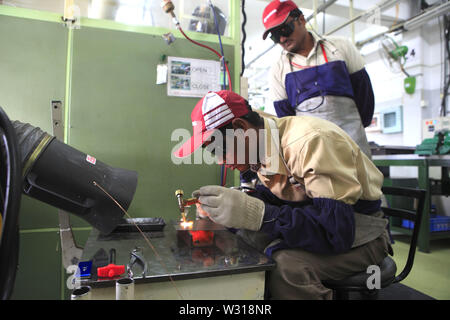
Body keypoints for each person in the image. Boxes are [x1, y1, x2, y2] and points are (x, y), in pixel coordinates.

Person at [173, 90, 392, 300]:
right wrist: (228, 210)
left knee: (287, 266)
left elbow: (336, 231)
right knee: (243, 241)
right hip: (325, 219)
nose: (221, 162)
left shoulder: (311, 142)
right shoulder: (261, 141)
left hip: (362, 231)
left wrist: (257, 214)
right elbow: (279, 199)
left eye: (219, 150)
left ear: (240, 127)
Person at [262, 0, 375, 158]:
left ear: (301, 19)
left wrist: (353, 130)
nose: (281, 39)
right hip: (313, 159)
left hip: (354, 151)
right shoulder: (278, 70)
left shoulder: (340, 48)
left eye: (284, 30)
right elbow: (287, 121)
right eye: (275, 36)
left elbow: (365, 97)